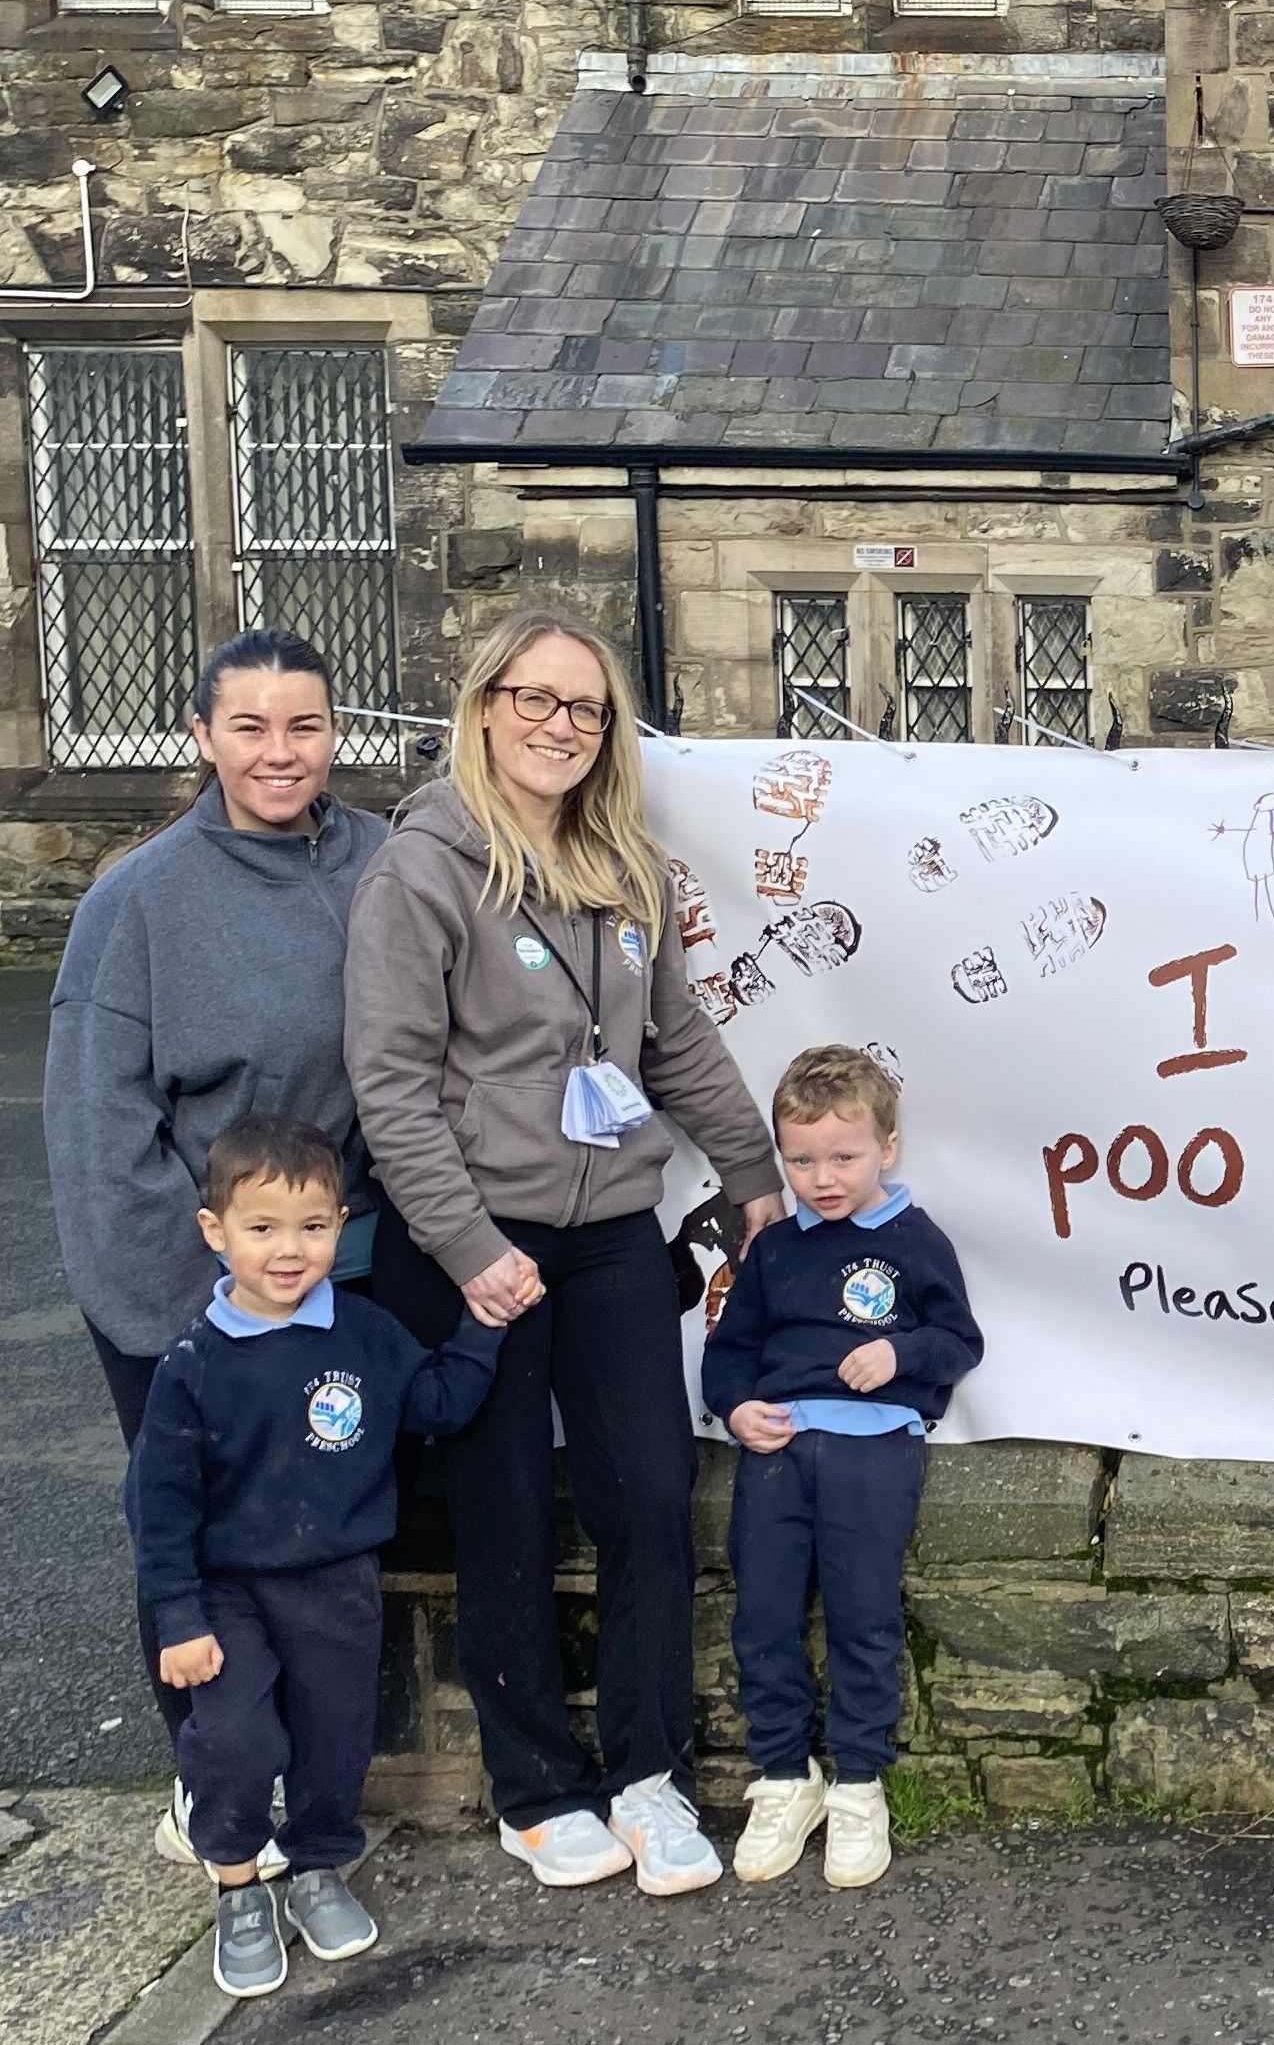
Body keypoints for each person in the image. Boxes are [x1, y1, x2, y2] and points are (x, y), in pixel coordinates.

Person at [346, 609, 782, 1896]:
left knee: (649, 1497)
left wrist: (753, 1170)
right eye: (535, 700)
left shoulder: (626, 865)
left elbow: (676, 1038)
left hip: (607, 1239)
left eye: (586, 709)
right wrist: (469, 1244)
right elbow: (390, 1081)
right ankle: (536, 1791)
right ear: (484, 707)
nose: (560, 726)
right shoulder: (420, 871)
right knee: (504, 1519)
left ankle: (651, 1774)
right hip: (470, 1243)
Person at [43, 629, 389, 1865]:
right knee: (195, 1537)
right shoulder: (135, 901)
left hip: (340, 1262)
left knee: (317, 1530)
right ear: (202, 737)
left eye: (303, 725)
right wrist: (207, 1302)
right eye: (249, 727)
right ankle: (211, 1776)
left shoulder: (381, 865)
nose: (279, 752)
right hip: (194, 1281)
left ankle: (316, 1770)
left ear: (334, 731)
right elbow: (99, 1129)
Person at [126, 1112, 503, 1998]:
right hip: (225, 1593)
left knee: (336, 1742)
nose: (287, 1250)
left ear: (342, 1223)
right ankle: (237, 1885)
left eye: (312, 1226)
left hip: (337, 1583)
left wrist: (485, 1327)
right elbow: (161, 1504)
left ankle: (318, 1869)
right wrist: (177, 1616)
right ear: (215, 1232)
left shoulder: (366, 1336)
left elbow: (439, 1404)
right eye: (261, 1228)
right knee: (235, 1739)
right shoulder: (192, 1363)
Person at [703, 1044, 983, 1889]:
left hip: (875, 1453)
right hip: (777, 1454)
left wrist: (898, 1356)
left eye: (844, 1157)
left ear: (886, 1149)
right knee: (763, 1618)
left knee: (863, 1617)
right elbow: (729, 1353)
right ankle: (785, 1777)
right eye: (801, 1160)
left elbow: (958, 1339)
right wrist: (736, 1406)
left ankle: (860, 1782)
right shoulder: (776, 1248)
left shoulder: (913, 1238)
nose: (822, 1177)